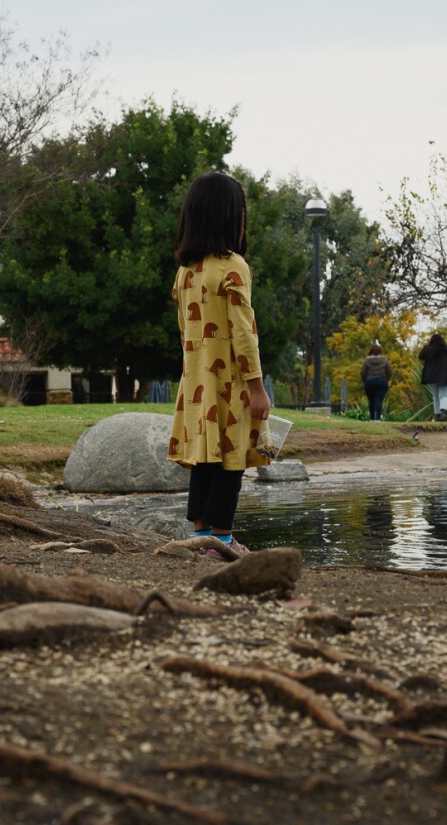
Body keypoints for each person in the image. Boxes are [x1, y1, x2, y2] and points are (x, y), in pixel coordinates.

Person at [167, 171, 271, 559]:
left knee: (205, 460)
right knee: (232, 460)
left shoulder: (185, 273)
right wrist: (257, 388)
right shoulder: (233, 267)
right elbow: (244, 333)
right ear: (230, 218)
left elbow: (184, 332)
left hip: (196, 381)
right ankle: (223, 543)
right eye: (242, 212)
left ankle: (202, 538)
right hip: (231, 382)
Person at [418, 333, 447, 421]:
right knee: (444, 396)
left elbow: (420, 356)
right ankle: (443, 413)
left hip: (431, 377)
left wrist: (426, 346)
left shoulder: (429, 350)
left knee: (435, 396)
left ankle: (437, 414)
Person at [359, 343, 392, 421]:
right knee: (379, 399)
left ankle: (372, 418)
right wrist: (386, 379)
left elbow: (362, 372)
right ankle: (377, 419)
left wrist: (365, 380)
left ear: (370, 351)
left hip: (370, 382)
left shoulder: (367, 360)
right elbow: (390, 371)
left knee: (371, 400)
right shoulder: (385, 360)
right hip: (382, 381)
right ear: (380, 351)